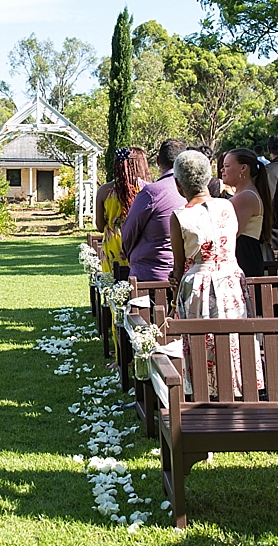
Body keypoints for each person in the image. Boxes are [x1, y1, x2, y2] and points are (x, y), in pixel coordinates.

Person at [167, 150, 254, 399]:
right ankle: (237, 387)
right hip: (230, 280)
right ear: (207, 178)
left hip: (198, 283)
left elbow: (180, 263)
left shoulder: (180, 216)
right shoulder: (227, 205)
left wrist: (175, 286)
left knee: (201, 341)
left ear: (178, 184)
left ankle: (203, 390)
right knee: (233, 337)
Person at [120, 139, 186, 285]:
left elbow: (129, 231)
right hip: (186, 275)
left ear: (157, 161)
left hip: (151, 274)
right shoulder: (195, 191)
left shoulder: (152, 192)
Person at [94, 147, 150, 281]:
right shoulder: (146, 189)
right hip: (139, 242)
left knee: (114, 287)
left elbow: (100, 226)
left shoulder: (104, 191)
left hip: (114, 244)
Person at [219, 149, 272, 278]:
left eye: (226, 166)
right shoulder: (245, 194)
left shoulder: (246, 196)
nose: (222, 170)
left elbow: (230, 233)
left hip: (243, 261)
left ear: (243, 168)